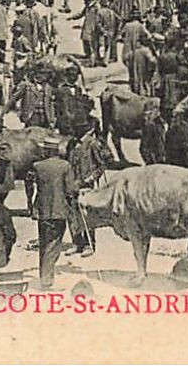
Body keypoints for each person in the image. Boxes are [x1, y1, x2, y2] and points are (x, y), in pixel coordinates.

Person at [31, 137, 79, 289]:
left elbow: (31, 185)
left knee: (44, 244)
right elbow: (71, 190)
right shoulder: (65, 166)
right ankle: (46, 280)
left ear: (47, 150)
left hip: (42, 210)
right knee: (54, 245)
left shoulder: (38, 166)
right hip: (59, 210)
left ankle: (44, 277)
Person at [67, 120, 113, 255]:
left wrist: (90, 178)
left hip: (86, 186)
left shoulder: (92, 144)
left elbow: (101, 166)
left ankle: (89, 245)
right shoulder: (72, 144)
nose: (75, 133)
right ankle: (76, 243)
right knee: (72, 214)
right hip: (72, 184)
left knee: (86, 215)